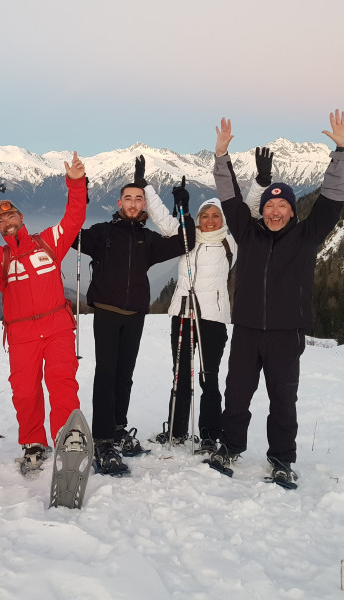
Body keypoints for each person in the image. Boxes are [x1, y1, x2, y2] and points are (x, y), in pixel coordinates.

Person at [206, 110, 344, 486]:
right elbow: (229, 197)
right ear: (263, 211)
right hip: (248, 330)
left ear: (292, 210)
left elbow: (332, 198)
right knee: (236, 395)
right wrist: (221, 157)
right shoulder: (247, 231)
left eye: (282, 206)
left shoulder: (308, 235)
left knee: (283, 402)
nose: (274, 211)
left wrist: (341, 150)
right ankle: (230, 447)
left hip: (287, 333)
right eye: (270, 206)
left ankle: (281, 459)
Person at [0, 152, 86, 474]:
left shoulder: (49, 241)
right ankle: (33, 442)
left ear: (21, 218)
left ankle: (67, 438)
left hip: (57, 327)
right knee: (25, 390)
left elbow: (75, 217)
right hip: (21, 333)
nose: (6, 223)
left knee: (61, 381)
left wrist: (76, 183)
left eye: (11, 217)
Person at [74, 157, 192, 474]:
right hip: (108, 314)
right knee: (106, 374)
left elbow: (186, 241)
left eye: (139, 199)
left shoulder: (148, 239)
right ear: (119, 202)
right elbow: (72, 233)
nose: (133, 202)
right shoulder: (102, 233)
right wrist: (77, 196)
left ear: (144, 206)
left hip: (135, 315)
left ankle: (117, 429)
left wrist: (183, 209)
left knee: (124, 374)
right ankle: (102, 439)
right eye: (129, 197)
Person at [146, 188, 237, 452]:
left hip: (212, 318)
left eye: (215, 216)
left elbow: (250, 211)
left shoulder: (231, 242)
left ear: (223, 219)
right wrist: (146, 188)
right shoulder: (187, 237)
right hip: (183, 314)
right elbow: (163, 219)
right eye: (204, 215)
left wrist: (262, 183)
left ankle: (209, 434)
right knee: (180, 375)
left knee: (209, 377)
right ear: (197, 219)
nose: (209, 220)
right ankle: (176, 430)